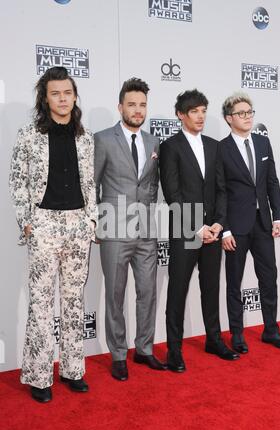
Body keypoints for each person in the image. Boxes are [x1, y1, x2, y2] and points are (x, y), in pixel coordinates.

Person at [9, 66, 97, 403]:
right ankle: (39, 376)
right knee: (42, 304)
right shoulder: (29, 135)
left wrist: (90, 221)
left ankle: (74, 370)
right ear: (45, 99)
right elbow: (17, 181)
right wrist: (27, 222)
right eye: (55, 93)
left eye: (67, 93)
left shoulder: (84, 137)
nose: (62, 99)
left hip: (78, 224)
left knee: (74, 302)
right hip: (43, 224)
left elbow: (89, 183)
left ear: (75, 97)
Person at [159, 89, 239, 373]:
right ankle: (174, 350)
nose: (201, 116)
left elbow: (221, 189)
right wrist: (198, 227)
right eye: (195, 111)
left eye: (204, 110)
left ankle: (214, 340)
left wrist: (218, 223)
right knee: (178, 291)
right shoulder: (170, 146)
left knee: (210, 288)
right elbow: (172, 193)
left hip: (213, 232)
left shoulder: (214, 146)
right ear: (181, 115)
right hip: (185, 230)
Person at [94, 77, 166, 381]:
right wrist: (95, 221)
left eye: (142, 105)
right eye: (132, 104)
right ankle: (119, 353)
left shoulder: (153, 142)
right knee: (115, 293)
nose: (138, 110)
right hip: (113, 227)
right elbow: (92, 183)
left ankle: (145, 349)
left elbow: (152, 184)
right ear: (120, 106)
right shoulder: (103, 139)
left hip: (146, 228)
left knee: (147, 292)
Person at [220, 92, 280, 353]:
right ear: (229, 118)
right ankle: (237, 334)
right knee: (234, 283)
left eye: (250, 112)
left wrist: (279, 216)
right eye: (241, 113)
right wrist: (224, 228)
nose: (248, 117)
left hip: (263, 224)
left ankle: (271, 330)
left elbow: (271, 182)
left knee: (268, 278)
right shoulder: (221, 149)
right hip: (235, 228)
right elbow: (220, 193)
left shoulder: (263, 145)